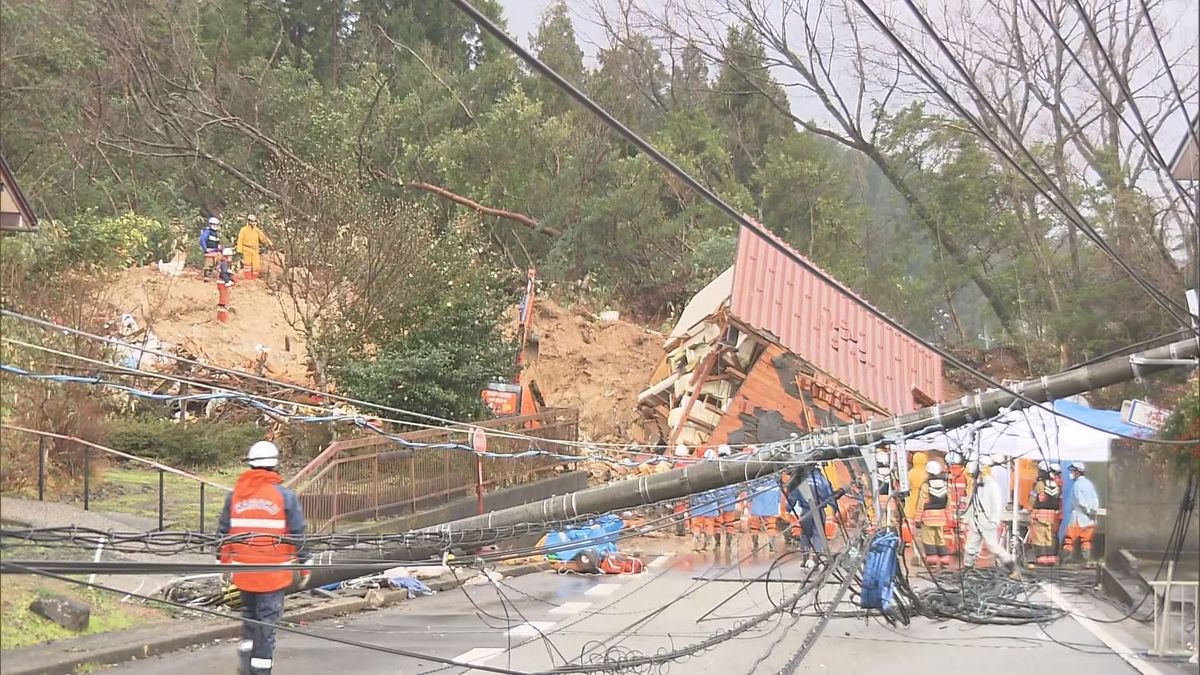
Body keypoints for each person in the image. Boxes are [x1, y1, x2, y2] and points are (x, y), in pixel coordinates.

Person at [218, 441, 311, 675]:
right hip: (273, 575)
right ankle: (260, 671)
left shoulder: (235, 496)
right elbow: (297, 533)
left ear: (250, 466)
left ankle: (246, 666)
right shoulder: (285, 497)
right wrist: (305, 565)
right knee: (266, 628)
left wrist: (224, 563)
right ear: (274, 467)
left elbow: (223, 533)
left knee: (249, 621)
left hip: (245, 575)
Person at [962, 460, 1019, 577]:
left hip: (987, 522)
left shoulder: (992, 486)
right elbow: (971, 504)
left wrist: (994, 520)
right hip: (976, 521)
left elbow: (997, 505)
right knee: (970, 546)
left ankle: (1011, 566)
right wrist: (966, 520)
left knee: (993, 546)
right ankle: (968, 568)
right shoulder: (976, 486)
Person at [915, 460, 951, 569]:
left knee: (928, 538)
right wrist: (948, 516)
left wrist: (917, 518)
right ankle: (944, 558)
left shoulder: (926, 485)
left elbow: (921, 502)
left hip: (928, 517)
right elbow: (948, 501)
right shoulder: (945, 484)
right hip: (941, 516)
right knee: (940, 537)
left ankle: (932, 560)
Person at [1064, 462, 1100, 566]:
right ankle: (1086, 560)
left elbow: (1079, 500)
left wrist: (1087, 510)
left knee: (1069, 540)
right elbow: (1095, 499)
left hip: (1078, 517)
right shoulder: (1089, 484)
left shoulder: (1077, 485)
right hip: (1089, 519)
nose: (1071, 473)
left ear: (1077, 472)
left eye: (1072, 471)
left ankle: (1066, 560)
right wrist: (1093, 511)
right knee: (1086, 541)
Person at [1029, 461, 1062, 567]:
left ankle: (1041, 559)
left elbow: (1033, 498)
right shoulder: (1056, 484)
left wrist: (1030, 507)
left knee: (1039, 537)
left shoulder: (1040, 483)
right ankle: (1050, 558)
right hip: (1052, 515)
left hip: (1040, 514)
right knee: (1049, 537)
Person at [747, 474, 783, 552]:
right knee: (771, 527)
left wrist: (748, 502)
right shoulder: (775, 482)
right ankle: (772, 547)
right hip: (770, 508)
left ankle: (755, 546)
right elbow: (780, 495)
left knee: (754, 527)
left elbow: (749, 492)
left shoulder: (755, 480)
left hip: (757, 507)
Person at [236, 215, 273, 280]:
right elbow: (240, 240)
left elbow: (262, 237)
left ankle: (255, 278)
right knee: (247, 264)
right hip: (246, 248)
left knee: (256, 265)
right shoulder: (243, 230)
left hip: (255, 249)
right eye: (252, 221)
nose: (253, 223)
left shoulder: (256, 230)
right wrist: (239, 250)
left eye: (254, 221)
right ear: (248, 221)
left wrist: (269, 243)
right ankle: (248, 278)